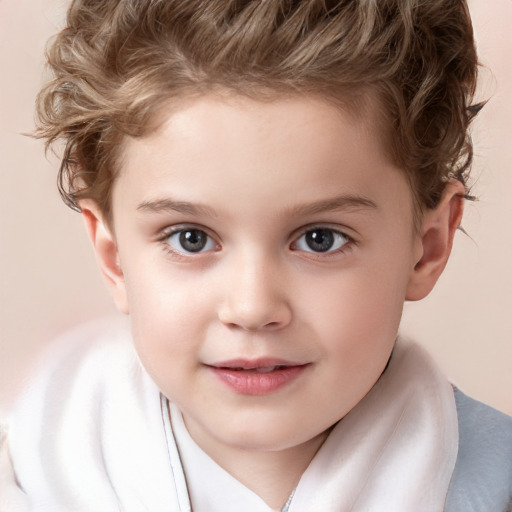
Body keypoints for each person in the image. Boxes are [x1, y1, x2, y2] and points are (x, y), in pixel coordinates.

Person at [1, 0, 511, 510]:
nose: (252, 308)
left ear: (427, 247)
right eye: (190, 238)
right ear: (114, 258)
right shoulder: (29, 473)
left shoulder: (494, 483)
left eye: (320, 239)